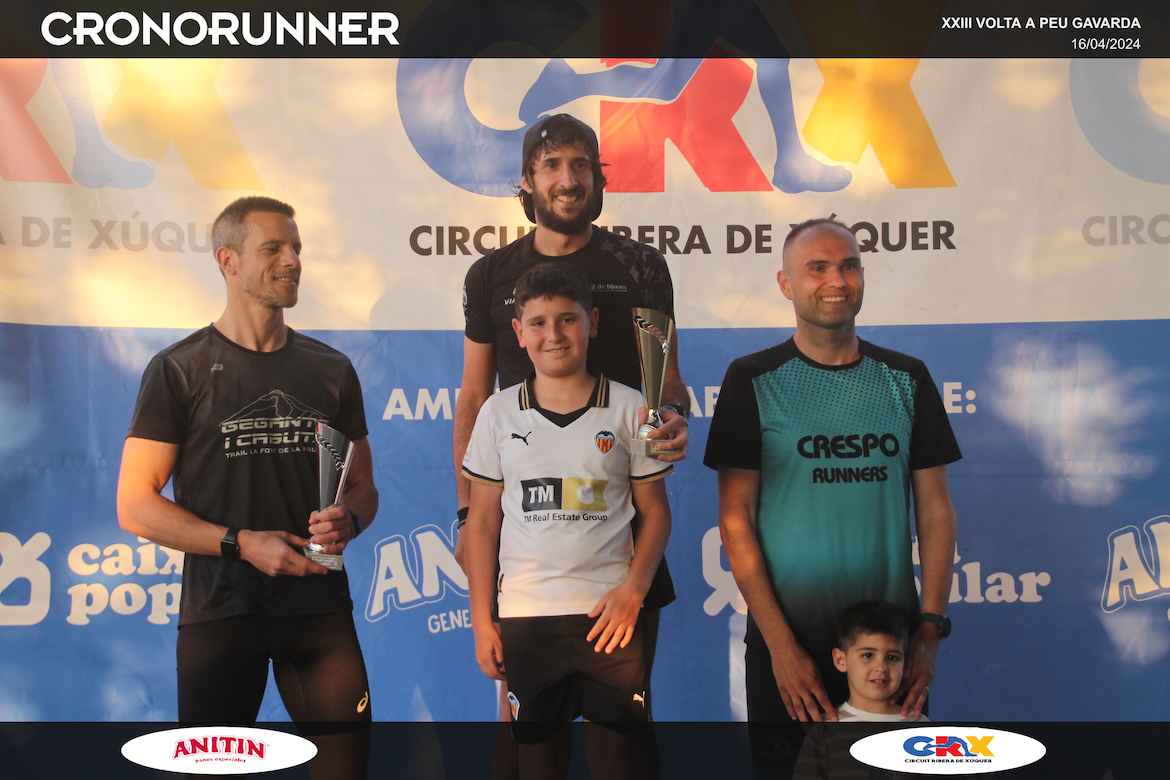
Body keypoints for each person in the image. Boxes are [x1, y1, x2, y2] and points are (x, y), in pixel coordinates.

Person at [454, 112, 689, 777]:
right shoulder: (490, 275)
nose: (568, 178)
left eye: (581, 164)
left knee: (628, 731)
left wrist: (673, 417)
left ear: (598, 177)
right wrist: (467, 513)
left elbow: (667, 382)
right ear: (527, 181)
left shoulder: (640, 266)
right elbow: (473, 397)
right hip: (527, 535)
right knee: (522, 730)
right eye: (552, 165)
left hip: (623, 525)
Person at [116, 196, 378, 780]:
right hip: (222, 613)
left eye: (297, 249)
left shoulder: (332, 369)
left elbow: (363, 486)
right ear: (228, 261)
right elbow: (135, 506)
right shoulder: (179, 369)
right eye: (273, 249)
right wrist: (242, 543)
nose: (292, 261)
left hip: (319, 612)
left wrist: (352, 519)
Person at [703, 216, 958, 768]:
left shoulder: (907, 378)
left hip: (889, 653)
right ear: (786, 283)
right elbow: (735, 520)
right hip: (792, 648)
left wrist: (929, 631)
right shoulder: (751, 379)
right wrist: (780, 647)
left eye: (848, 266)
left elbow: (936, 512)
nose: (836, 281)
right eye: (816, 268)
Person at [463, 262, 672, 780]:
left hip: (610, 616)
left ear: (592, 323)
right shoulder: (497, 413)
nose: (553, 335)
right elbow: (483, 523)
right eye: (538, 323)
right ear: (518, 333)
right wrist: (482, 620)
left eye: (567, 319)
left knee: (616, 761)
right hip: (527, 615)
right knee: (538, 761)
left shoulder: (630, 407)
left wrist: (634, 591)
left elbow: (656, 512)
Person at [831, 601, 927, 723]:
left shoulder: (919, 724)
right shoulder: (825, 726)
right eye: (868, 655)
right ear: (840, 660)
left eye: (892, 658)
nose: (881, 667)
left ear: (905, 664)